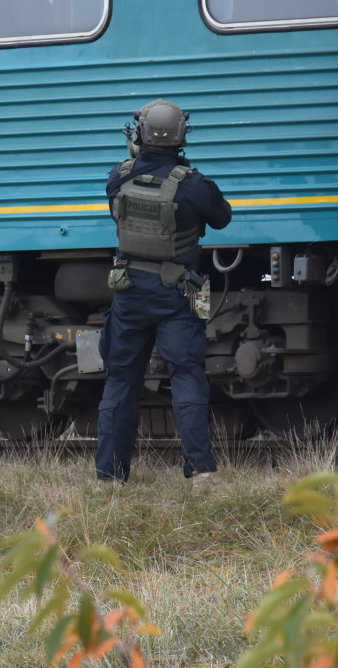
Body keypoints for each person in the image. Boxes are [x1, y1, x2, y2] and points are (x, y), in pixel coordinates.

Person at [95, 98, 232, 486]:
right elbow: (222, 219)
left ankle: (109, 476)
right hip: (176, 294)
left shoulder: (116, 177)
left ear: (139, 134)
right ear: (182, 135)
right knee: (186, 375)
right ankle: (201, 472)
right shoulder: (194, 187)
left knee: (121, 379)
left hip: (129, 293)